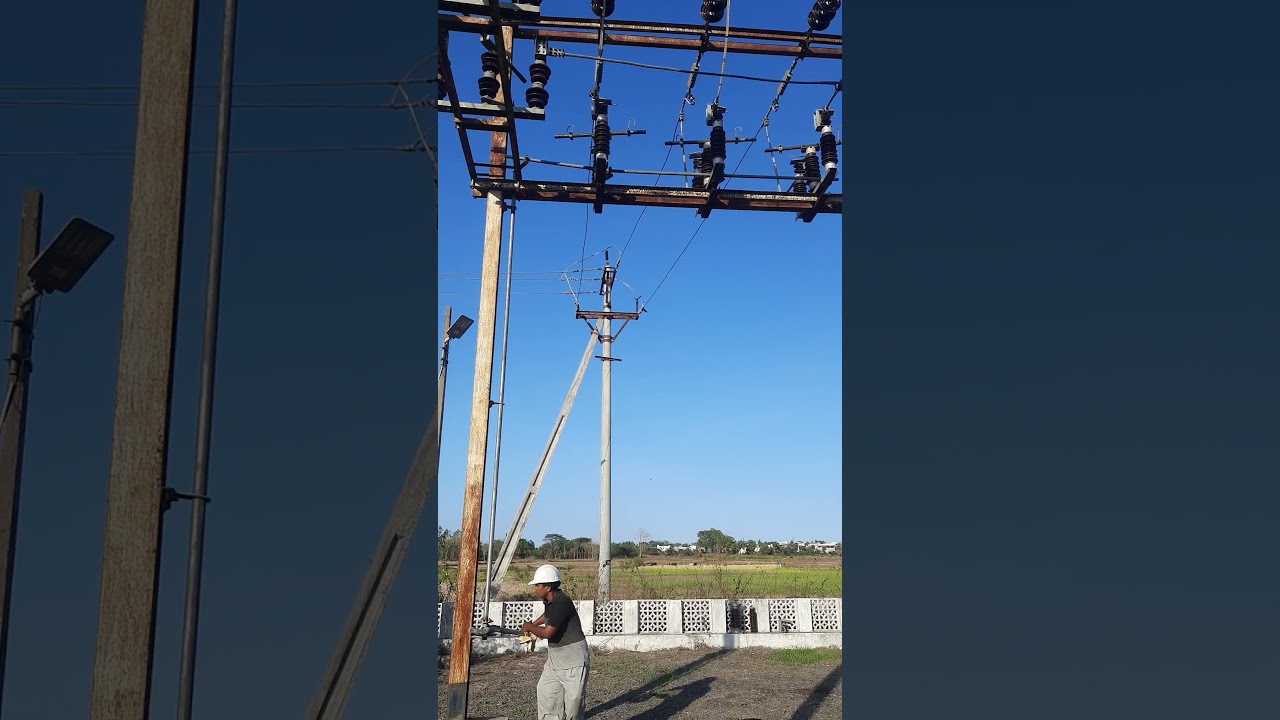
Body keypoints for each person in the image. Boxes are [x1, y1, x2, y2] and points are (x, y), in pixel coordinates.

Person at [520, 564, 590, 720]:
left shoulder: (562, 602)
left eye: (538, 585)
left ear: (548, 586)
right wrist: (533, 625)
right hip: (555, 661)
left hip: (574, 661)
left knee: (574, 707)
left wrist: (529, 627)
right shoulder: (550, 602)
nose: (535, 588)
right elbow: (547, 617)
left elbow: (547, 633)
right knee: (546, 695)